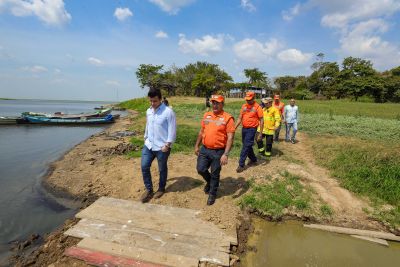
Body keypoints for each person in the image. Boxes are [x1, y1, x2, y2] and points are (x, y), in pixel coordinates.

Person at [194, 95, 235, 205]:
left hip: (218, 151)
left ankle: (212, 193)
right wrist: (196, 145)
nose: (215, 105)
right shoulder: (207, 115)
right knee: (200, 169)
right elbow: (201, 131)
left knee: (215, 173)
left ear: (222, 104)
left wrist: (226, 154)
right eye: (213, 103)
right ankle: (210, 182)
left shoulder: (228, 118)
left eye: (217, 103)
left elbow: (230, 137)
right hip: (205, 149)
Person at [140, 89, 176, 203]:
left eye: (154, 101)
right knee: (144, 166)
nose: (152, 103)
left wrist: (168, 144)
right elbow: (148, 124)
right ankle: (149, 189)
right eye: (150, 101)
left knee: (162, 169)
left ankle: (161, 188)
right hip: (149, 145)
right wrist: (145, 137)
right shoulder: (148, 111)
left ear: (160, 99)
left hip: (162, 147)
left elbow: (172, 129)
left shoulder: (168, 112)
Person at [234, 91, 264, 173]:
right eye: (246, 99)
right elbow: (240, 118)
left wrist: (260, 133)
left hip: (252, 129)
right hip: (244, 128)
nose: (247, 101)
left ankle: (241, 164)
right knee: (247, 145)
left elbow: (261, 120)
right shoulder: (244, 106)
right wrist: (234, 128)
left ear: (254, 98)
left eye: (249, 99)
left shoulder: (257, 107)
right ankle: (254, 159)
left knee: (246, 146)